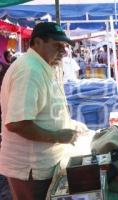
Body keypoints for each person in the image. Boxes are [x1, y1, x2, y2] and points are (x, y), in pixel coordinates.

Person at [0, 22, 82, 200]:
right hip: (31, 168)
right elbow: (17, 123)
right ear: (37, 42)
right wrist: (58, 136)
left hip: (42, 165)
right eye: (57, 45)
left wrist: (70, 124)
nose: (63, 51)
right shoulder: (30, 70)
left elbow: (44, 110)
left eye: (64, 46)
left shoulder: (42, 66)